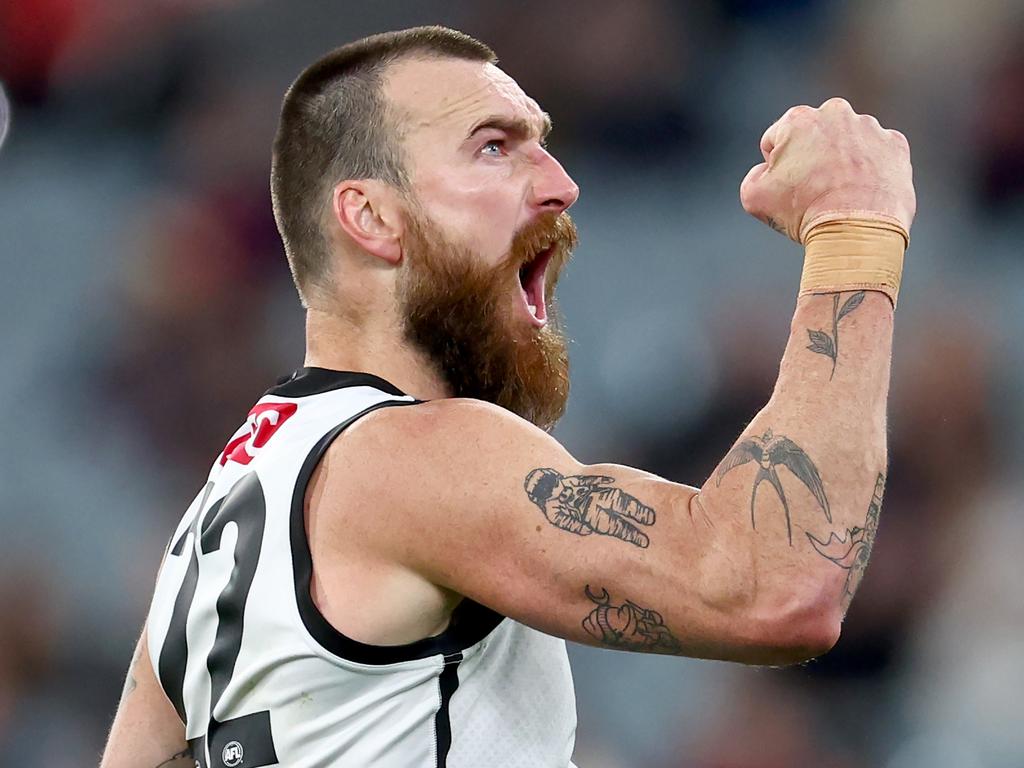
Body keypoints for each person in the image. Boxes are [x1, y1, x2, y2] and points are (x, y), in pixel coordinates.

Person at [99, 25, 915, 768]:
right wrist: (857, 225)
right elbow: (776, 585)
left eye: (545, 146)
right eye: (495, 147)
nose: (561, 184)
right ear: (372, 216)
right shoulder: (417, 455)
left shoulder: (217, 516)